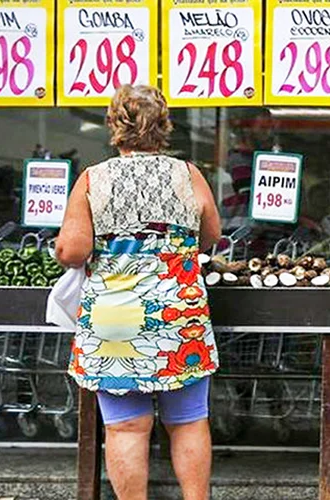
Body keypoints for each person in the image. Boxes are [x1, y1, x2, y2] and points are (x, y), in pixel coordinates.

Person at [55, 85, 221, 500]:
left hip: (116, 313)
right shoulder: (188, 174)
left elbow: (73, 250)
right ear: (164, 126)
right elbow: (211, 236)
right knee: (187, 419)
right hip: (177, 310)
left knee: (127, 425)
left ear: (114, 125)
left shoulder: (95, 178)